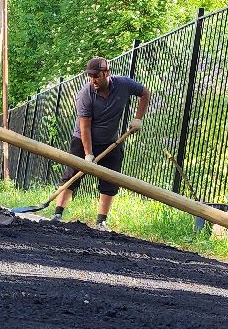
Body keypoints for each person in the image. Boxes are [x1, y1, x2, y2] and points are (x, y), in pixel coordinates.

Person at [47, 56, 150, 228]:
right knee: (71, 176)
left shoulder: (123, 85)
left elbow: (145, 93)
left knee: (110, 179)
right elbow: (85, 127)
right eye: (90, 76)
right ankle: (58, 214)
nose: (93, 80)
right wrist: (88, 154)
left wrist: (138, 118)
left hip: (111, 142)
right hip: (83, 140)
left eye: (96, 76)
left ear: (106, 73)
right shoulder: (85, 94)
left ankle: (101, 221)